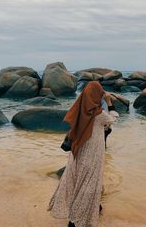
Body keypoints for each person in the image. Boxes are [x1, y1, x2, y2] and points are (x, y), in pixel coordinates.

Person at [47, 81, 119, 227]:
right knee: (89, 184)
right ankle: (76, 220)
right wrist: (109, 101)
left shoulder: (79, 108)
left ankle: (89, 210)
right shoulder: (99, 115)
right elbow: (113, 119)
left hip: (78, 152)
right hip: (93, 154)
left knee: (77, 182)